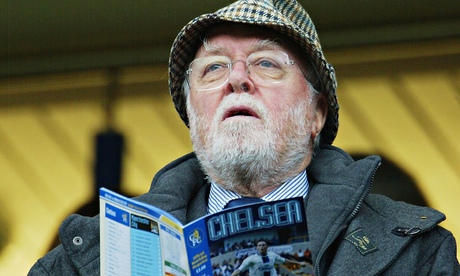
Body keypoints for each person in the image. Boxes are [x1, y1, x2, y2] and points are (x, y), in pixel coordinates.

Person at [29, 0, 459, 275]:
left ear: (317, 113)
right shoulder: (85, 257)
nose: (236, 78)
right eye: (212, 68)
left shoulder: (416, 253)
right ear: (194, 116)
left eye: (267, 63)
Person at [230, 240, 308, 276]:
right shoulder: (250, 259)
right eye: (259, 245)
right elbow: (239, 270)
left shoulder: (272, 255)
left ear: (267, 247)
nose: (261, 247)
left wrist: (299, 263)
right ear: (257, 248)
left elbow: (285, 261)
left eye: (263, 245)